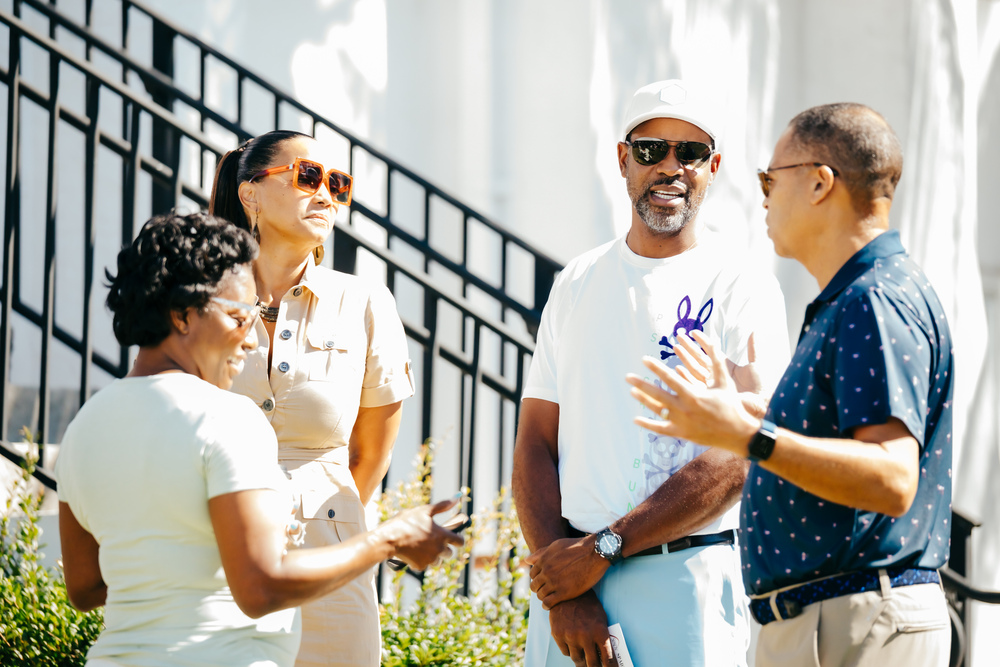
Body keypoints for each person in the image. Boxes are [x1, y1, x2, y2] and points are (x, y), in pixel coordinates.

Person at [56, 212, 462, 667]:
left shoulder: (85, 426)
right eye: (237, 316)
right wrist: (387, 539)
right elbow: (261, 587)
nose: (250, 339)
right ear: (182, 315)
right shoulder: (228, 417)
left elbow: (85, 586)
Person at [629, 103, 954, 666]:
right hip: (841, 619)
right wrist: (741, 419)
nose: (761, 196)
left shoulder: (872, 300)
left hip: (855, 621)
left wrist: (749, 434)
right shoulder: (858, 297)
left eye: (768, 179)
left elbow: (893, 476)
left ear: (819, 183)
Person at [512, 79, 790, 667]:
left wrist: (601, 551)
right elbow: (535, 441)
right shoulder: (576, 283)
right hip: (572, 586)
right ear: (622, 159)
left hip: (686, 580)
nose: (670, 167)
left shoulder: (742, 286)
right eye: (650, 150)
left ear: (712, 167)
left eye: (689, 153)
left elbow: (744, 451)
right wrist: (565, 585)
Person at [209, 131, 414, 666]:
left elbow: (370, 455)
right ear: (251, 192)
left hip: (328, 560)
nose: (326, 194)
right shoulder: (203, 298)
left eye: (338, 184)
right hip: (215, 550)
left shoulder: (367, 301)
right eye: (308, 177)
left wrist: (324, 524)